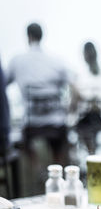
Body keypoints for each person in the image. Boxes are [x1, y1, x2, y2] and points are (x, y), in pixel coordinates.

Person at [6, 23, 76, 165]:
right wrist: (69, 110)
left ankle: (35, 168)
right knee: (61, 141)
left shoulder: (17, 60)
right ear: (42, 36)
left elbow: (4, 84)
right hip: (56, 125)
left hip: (32, 125)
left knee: (22, 140)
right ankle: (57, 165)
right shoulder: (57, 61)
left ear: (28, 37)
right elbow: (75, 87)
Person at [76, 41, 101, 154]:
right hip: (100, 118)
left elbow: (79, 97)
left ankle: (90, 154)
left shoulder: (82, 75)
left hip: (89, 119)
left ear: (85, 54)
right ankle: (92, 152)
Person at [0, 60, 10, 152]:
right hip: (57, 121)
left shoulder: (17, 60)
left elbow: (7, 81)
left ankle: (34, 163)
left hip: (31, 123)